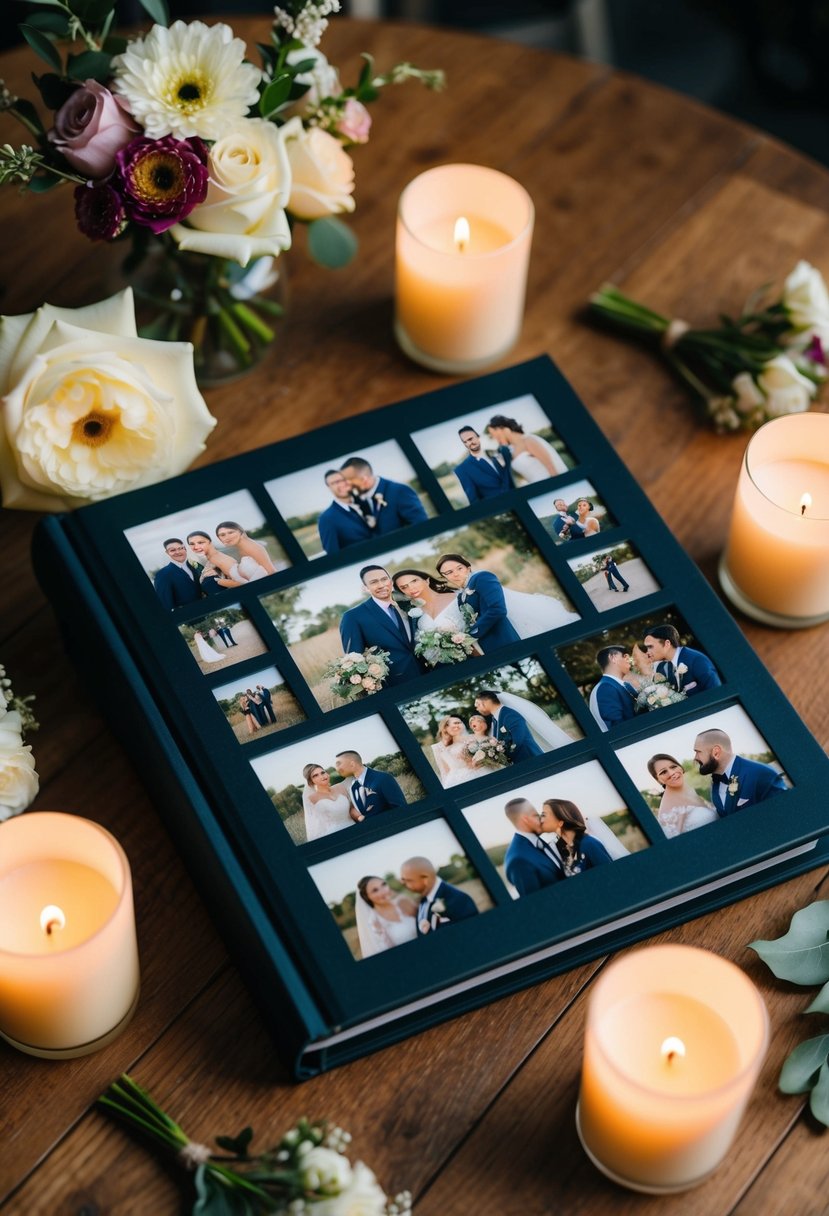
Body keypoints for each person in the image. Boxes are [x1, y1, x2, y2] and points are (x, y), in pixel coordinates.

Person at [437, 552, 577, 645]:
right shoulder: (460, 598)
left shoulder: (482, 577)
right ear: (444, 577)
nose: (455, 574)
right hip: (492, 639)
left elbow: (497, 609)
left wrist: (471, 634)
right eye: (449, 572)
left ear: (468, 568)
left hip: (510, 631)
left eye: (459, 568)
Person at [339, 565, 423, 686]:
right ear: (365, 588)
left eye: (384, 579)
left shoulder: (409, 602)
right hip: (395, 683)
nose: (381, 585)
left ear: (391, 581)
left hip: (427, 671)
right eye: (374, 582)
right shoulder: (353, 617)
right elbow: (354, 659)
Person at [693, 729, 788, 816]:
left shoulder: (762, 774)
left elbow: (785, 812)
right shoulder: (715, 784)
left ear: (716, 752)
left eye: (698, 752)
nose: (695, 758)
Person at [392, 568, 480, 651]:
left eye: (414, 581)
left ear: (427, 580)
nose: (411, 588)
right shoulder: (413, 615)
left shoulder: (458, 597)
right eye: (404, 587)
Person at [340, 456, 428, 534]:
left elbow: (423, 528)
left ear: (364, 479)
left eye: (349, 482)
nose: (347, 486)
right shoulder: (360, 500)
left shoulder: (400, 491)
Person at [399, 856, 479, 935]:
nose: (404, 885)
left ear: (425, 879)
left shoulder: (460, 900)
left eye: (408, 881)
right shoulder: (423, 900)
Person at [646, 753, 718, 838]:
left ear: (680, 767)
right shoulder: (668, 811)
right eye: (663, 772)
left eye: (673, 767)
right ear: (658, 780)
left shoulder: (689, 789)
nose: (671, 773)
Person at [503, 798, 565, 895]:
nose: (541, 820)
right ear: (526, 819)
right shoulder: (518, 860)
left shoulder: (537, 841)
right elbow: (535, 904)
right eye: (536, 815)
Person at [642, 624, 720, 695]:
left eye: (650, 647)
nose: (647, 652)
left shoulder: (696, 660)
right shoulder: (663, 668)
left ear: (667, 644)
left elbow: (717, 692)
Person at [486, 415, 567, 483]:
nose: (495, 438)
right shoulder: (511, 450)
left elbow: (552, 468)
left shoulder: (528, 440)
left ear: (503, 428)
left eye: (494, 434)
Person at [540, 799, 614, 873]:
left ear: (560, 822)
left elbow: (611, 874)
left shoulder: (589, 844)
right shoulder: (558, 850)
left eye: (544, 815)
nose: (541, 820)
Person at [355, 876, 417, 958]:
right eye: (375, 890)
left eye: (384, 884)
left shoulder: (403, 901)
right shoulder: (373, 922)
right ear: (366, 897)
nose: (384, 891)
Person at [318, 468, 373, 555]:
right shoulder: (327, 519)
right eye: (334, 483)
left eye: (342, 480)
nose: (341, 484)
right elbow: (333, 555)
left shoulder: (366, 503)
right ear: (329, 487)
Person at [333, 750, 406, 816]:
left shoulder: (383, 778)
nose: (337, 769)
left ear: (352, 764)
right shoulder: (353, 787)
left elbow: (401, 809)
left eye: (338, 764)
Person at [453, 425, 513, 503]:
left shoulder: (501, 452)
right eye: (465, 442)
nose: (469, 443)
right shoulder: (462, 469)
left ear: (478, 437)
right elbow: (474, 501)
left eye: (470, 439)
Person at [301, 762, 360, 841]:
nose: (322, 776)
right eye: (315, 776)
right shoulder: (311, 799)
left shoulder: (341, 787)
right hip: (333, 836)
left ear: (327, 774)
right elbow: (314, 824)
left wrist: (360, 817)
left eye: (323, 772)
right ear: (311, 781)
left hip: (353, 827)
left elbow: (351, 809)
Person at [431, 716, 492, 788]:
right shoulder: (443, 749)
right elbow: (445, 772)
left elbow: (489, 753)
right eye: (449, 725)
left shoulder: (474, 737)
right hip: (457, 780)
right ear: (445, 729)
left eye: (458, 723)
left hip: (481, 771)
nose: (455, 726)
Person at [588, 646, 637, 731]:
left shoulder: (620, 685)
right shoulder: (605, 689)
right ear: (613, 658)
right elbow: (619, 728)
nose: (629, 659)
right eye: (624, 656)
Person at [153, 538, 204, 610]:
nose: (178, 552)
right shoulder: (162, 574)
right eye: (172, 550)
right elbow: (165, 604)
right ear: (167, 553)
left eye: (180, 548)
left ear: (185, 549)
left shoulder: (193, 567)